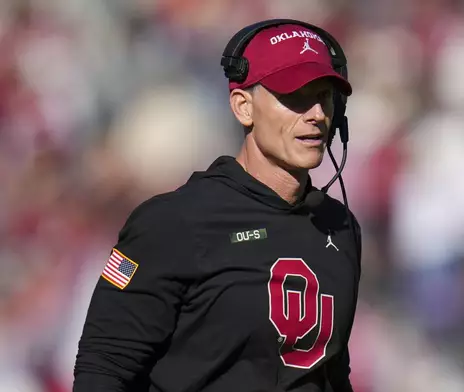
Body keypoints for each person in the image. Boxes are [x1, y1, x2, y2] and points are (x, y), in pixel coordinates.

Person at [72, 19, 362, 392]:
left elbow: (333, 375)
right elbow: (104, 368)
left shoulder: (339, 226)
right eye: (295, 96)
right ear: (243, 107)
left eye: (324, 96)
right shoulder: (174, 221)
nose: (317, 114)